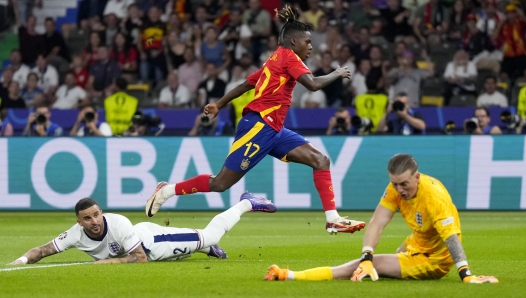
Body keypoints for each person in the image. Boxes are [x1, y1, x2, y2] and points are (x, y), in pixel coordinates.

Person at [145, 5, 365, 235]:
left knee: (321, 161)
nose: (311, 47)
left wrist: (219, 104)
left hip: (274, 129)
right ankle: (166, 191)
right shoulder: (289, 57)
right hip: (259, 126)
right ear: (293, 42)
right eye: (307, 42)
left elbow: (246, 84)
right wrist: (337, 73)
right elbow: (313, 85)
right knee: (221, 183)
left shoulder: (274, 58)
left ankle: (333, 219)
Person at [264, 154, 499, 284]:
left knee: (366, 266)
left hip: (435, 259)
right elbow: (377, 222)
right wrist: (367, 254)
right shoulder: (395, 189)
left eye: (404, 184)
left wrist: (465, 274)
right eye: (395, 183)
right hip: (417, 243)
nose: (399, 189)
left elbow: (452, 239)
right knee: (371, 262)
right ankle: (377, 263)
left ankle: (290, 275)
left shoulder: (434, 197)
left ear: (417, 177)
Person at [8, 194, 277, 265]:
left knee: (210, 234)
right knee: (182, 256)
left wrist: (112, 262)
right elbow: (43, 250)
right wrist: (21, 261)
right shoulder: (74, 235)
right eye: (87, 218)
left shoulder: (117, 223)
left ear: (101, 212)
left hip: (153, 242)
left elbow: (141, 258)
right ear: (79, 222)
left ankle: (246, 202)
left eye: (96, 214)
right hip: (139, 240)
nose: (94, 221)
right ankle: (205, 248)